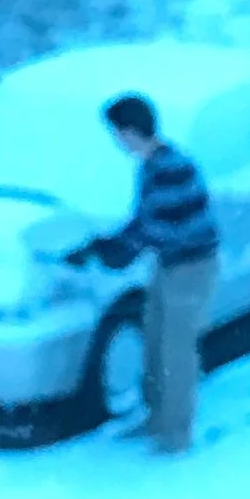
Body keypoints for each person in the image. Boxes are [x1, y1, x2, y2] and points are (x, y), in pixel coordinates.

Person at [79, 92, 220, 453]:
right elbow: (147, 223)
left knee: (176, 352)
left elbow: (161, 230)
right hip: (169, 264)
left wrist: (113, 251)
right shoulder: (152, 166)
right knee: (155, 342)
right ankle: (157, 419)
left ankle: (177, 434)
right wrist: (105, 245)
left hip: (191, 267)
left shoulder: (170, 168)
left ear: (131, 131)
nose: (116, 142)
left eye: (117, 134)